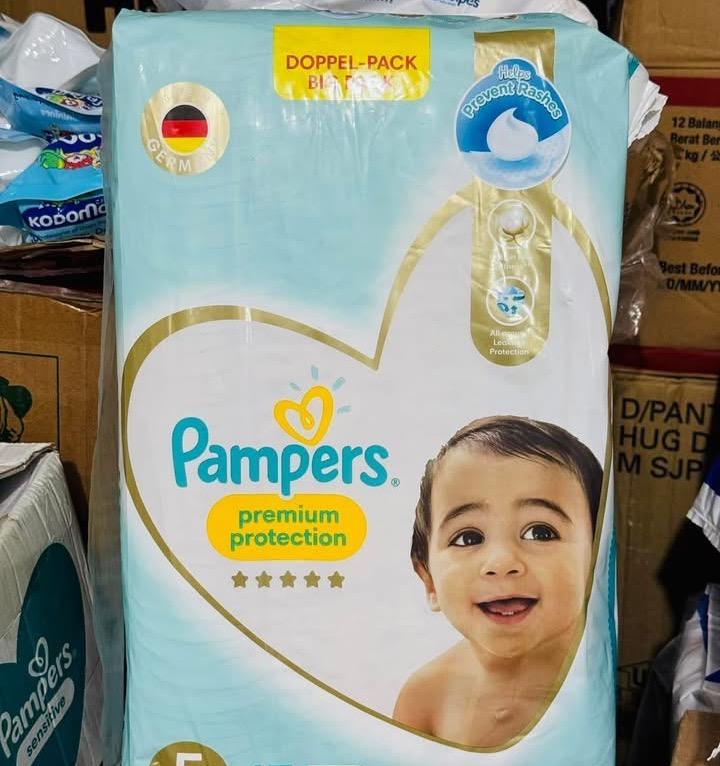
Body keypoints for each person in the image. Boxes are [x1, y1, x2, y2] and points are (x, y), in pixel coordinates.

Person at [393, 416, 603, 748]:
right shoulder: (426, 697)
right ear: (429, 581)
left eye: (540, 532)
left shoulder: (600, 686)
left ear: (598, 559)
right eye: (468, 538)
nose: (501, 562)